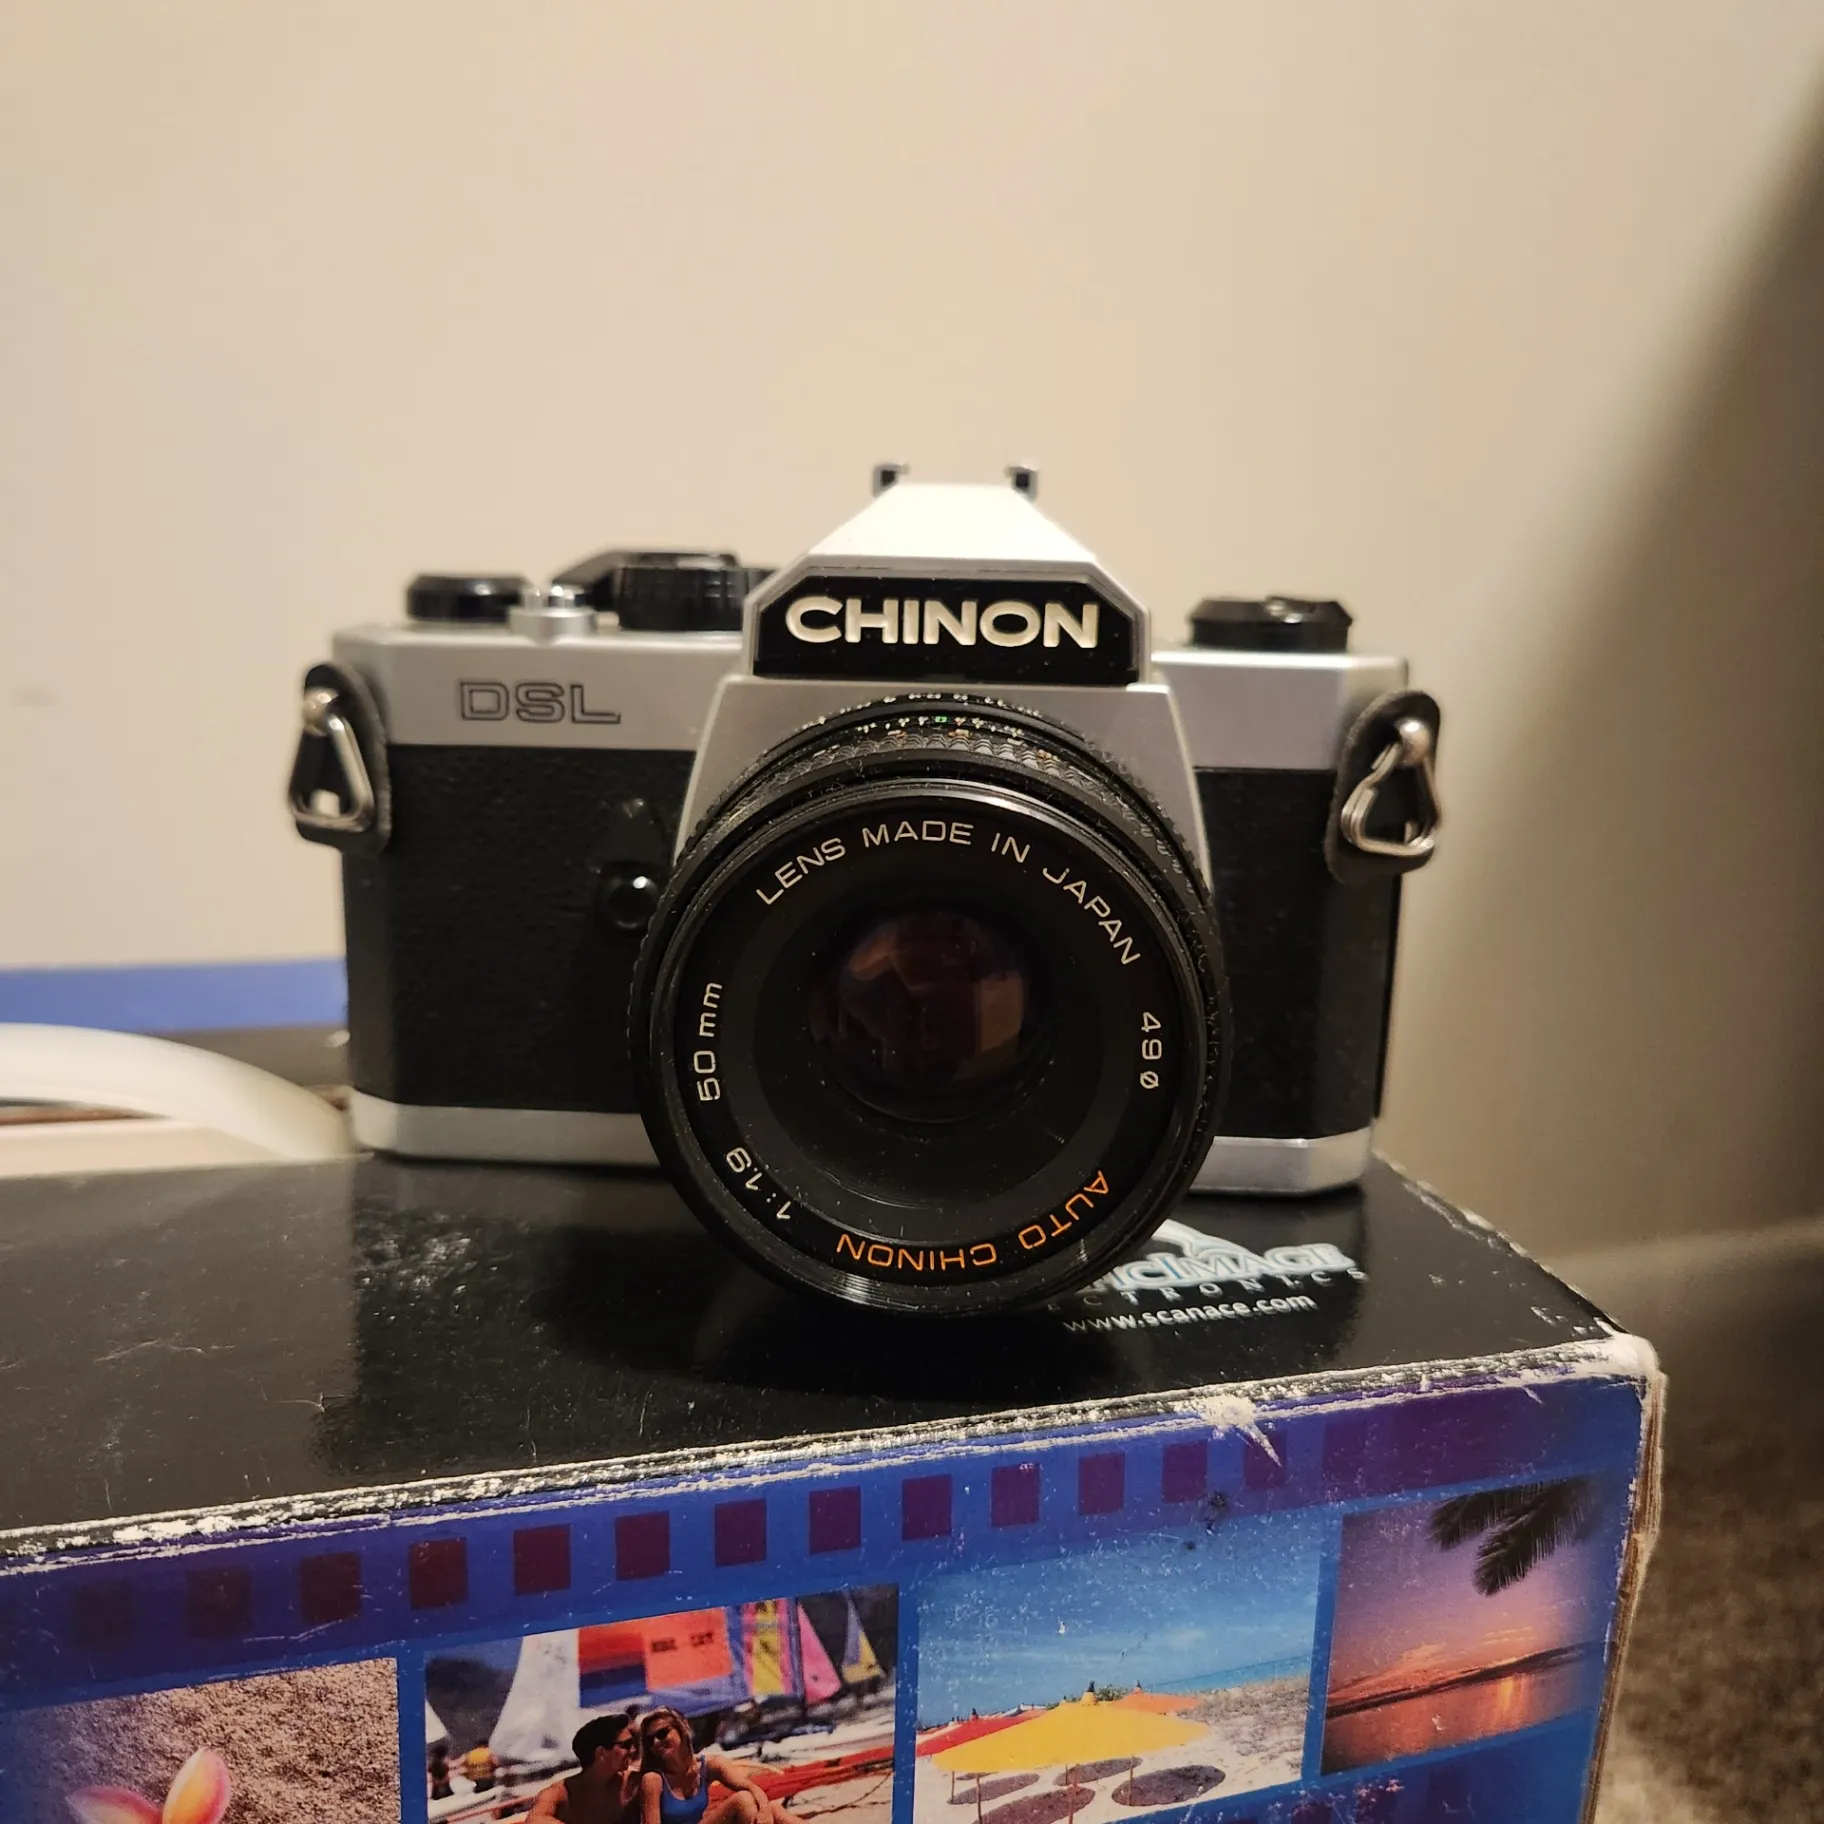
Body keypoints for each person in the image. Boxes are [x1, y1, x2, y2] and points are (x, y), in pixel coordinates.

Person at [638, 1708, 803, 1824]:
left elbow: (751, 1787)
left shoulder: (708, 1765)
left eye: (662, 1733)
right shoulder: (653, 1780)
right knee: (743, 1800)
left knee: (772, 1808)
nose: (656, 1742)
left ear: (683, 1727)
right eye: (650, 1740)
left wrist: (764, 1810)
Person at [528, 1712, 642, 1824]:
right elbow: (535, 1820)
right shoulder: (562, 1793)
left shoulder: (634, 1784)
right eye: (626, 1745)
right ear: (601, 1752)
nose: (633, 1750)